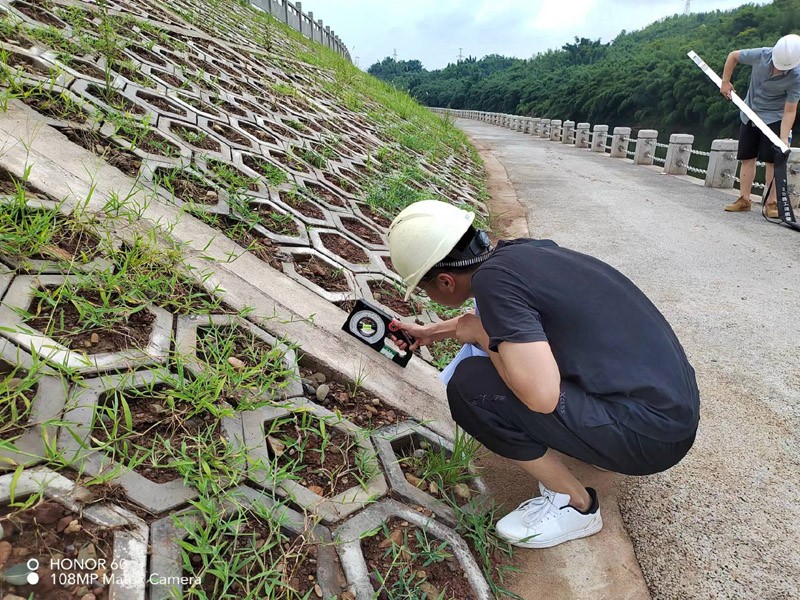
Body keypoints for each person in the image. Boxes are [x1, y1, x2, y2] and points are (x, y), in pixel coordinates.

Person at [387, 200, 700, 549]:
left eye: (423, 287)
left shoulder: (494, 286)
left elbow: (541, 395)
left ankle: (576, 506)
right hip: (671, 407)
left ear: (445, 282)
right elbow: (496, 324)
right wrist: (432, 332)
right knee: (507, 354)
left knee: (469, 385)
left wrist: (479, 335)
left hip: (651, 439)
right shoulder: (518, 255)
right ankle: (594, 441)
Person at [720, 34, 800, 218]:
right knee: (747, 157)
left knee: (772, 160)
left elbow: (790, 110)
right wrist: (725, 82)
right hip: (749, 112)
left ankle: (771, 203)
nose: (778, 69)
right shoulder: (763, 54)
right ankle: (744, 200)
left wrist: (783, 137)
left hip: (774, 118)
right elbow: (733, 55)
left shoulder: (796, 77)